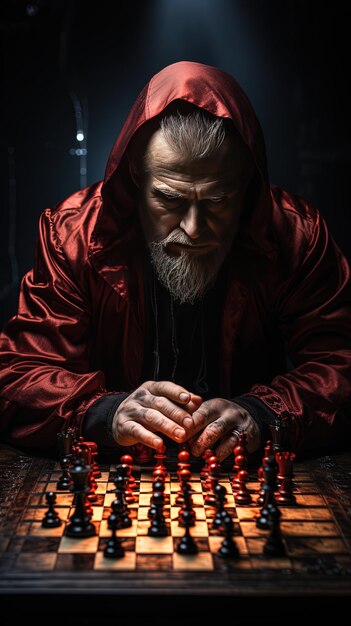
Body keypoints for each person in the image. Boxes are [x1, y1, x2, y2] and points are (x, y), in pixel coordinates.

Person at [0, 61, 350, 464]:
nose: (194, 228)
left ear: (246, 186)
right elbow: (18, 375)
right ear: (135, 179)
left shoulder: (296, 234)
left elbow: (340, 363)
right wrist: (104, 412)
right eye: (168, 198)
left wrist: (264, 413)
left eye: (217, 201)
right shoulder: (71, 235)